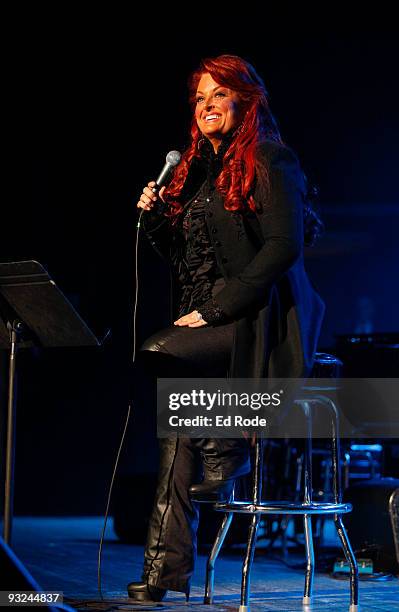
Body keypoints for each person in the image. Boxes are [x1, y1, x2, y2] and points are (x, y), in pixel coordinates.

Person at [127, 54, 325, 604]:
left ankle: (229, 443)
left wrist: (218, 310)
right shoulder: (198, 175)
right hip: (211, 318)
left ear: (246, 99)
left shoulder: (269, 158)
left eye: (219, 94)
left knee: (162, 350)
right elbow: (185, 258)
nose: (207, 105)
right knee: (174, 434)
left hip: (258, 317)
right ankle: (162, 576)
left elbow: (285, 246)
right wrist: (154, 218)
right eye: (199, 98)